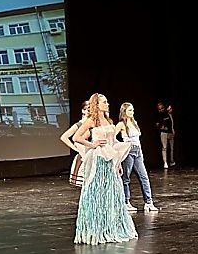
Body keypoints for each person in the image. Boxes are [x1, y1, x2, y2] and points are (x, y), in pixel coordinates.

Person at [73, 93, 138, 245]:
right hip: (99, 159)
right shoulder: (91, 121)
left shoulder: (109, 120)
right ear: (96, 104)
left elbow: (113, 141)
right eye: (104, 102)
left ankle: (110, 227)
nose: (107, 104)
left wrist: (118, 162)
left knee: (112, 193)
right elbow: (77, 137)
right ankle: (95, 229)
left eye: (107, 101)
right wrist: (92, 144)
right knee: (97, 192)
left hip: (110, 159)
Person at [116, 102, 159, 213]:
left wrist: (141, 153)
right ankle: (126, 202)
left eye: (133, 110)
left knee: (144, 176)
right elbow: (112, 137)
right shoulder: (121, 124)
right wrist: (122, 146)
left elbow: (138, 140)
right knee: (126, 178)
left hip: (138, 151)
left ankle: (148, 202)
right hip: (128, 151)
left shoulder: (134, 122)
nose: (132, 112)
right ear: (124, 111)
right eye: (130, 110)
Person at [59, 100, 89, 187]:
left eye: (91, 109)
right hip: (83, 155)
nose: (89, 111)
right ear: (83, 110)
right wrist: (76, 149)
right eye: (87, 109)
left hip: (90, 154)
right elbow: (64, 137)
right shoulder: (80, 124)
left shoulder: (92, 124)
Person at [155, 102, 175, 169]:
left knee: (171, 148)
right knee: (164, 148)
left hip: (170, 133)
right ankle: (165, 162)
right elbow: (157, 124)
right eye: (159, 109)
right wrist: (162, 127)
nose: (161, 110)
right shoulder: (159, 115)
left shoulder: (168, 114)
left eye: (162, 108)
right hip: (164, 133)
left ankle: (172, 161)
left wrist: (173, 130)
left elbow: (171, 123)